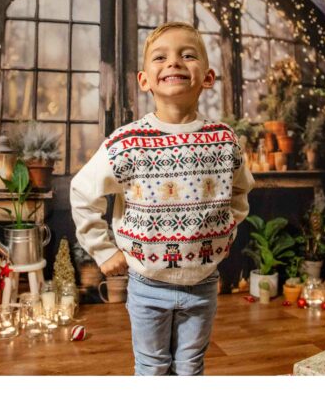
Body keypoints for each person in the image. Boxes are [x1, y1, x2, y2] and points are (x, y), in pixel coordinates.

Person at [70, 21, 254, 375]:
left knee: (190, 367)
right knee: (152, 368)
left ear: (208, 77)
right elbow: (82, 191)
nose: (174, 63)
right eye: (161, 57)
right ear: (144, 80)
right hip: (147, 285)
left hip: (204, 283)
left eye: (188, 55)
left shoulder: (224, 139)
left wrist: (226, 228)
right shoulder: (127, 142)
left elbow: (241, 189)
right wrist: (103, 249)